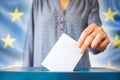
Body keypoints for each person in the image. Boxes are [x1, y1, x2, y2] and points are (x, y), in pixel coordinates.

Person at [23, 0, 110, 68]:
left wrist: (98, 42)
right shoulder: (39, 2)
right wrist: (25, 75)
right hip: (42, 74)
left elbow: (94, 41)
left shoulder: (89, 1)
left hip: (78, 74)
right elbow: (30, 43)